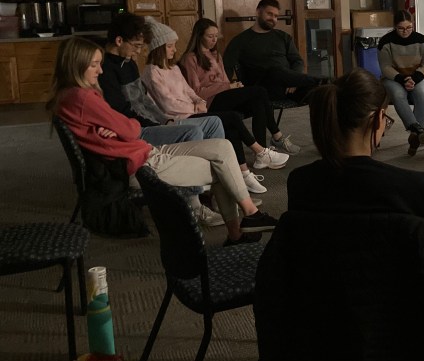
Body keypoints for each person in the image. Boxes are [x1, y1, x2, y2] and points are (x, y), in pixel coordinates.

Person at [288, 68, 424, 300]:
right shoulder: (411, 187)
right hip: (401, 303)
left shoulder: (299, 181)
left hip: (323, 301)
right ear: (377, 119)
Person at [48, 36, 277, 246]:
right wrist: (123, 127)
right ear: (76, 65)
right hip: (140, 164)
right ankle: (239, 231)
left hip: (144, 151)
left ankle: (250, 215)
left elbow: (124, 128)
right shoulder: (83, 98)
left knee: (223, 146)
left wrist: (118, 128)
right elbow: (131, 129)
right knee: (221, 167)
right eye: (94, 65)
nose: (100, 70)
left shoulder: (68, 96)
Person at [140, 17, 289, 195]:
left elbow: (190, 92)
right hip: (179, 117)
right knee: (233, 115)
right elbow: (168, 103)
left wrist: (198, 102)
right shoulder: (152, 72)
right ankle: (259, 153)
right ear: (159, 48)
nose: (175, 49)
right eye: (170, 46)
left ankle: (244, 172)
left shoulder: (174, 69)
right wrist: (196, 106)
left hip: (197, 109)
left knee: (238, 116)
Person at [179, 17, 301, 157]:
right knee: (259, 91)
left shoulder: (216, 55)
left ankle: (262, 152)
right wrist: (228, 86)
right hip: (210, 102)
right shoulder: (190, 58)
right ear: (199, 36)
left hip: (224, 96)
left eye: (216, 36)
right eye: (210, 36)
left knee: (258, 102)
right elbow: (197, 92)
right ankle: (276, 137)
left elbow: (225, 81)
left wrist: (234, 87)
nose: (214, 40)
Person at [98, 12, 224, 147]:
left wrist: (164, 120)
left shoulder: (129, 63)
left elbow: (145, 100)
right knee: (193, 131)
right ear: (119, 41)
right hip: (139, 127)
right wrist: (157, 124)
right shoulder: (105, 69)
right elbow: (121, 110)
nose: (139, 51)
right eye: (136, 45)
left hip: (155, 121)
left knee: (214, 122)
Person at [223, 0, 324, 104]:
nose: (273, 19)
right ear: (258, 12)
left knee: (319, 92)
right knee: (276, 71)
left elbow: (297, 61)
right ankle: (319, 80)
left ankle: (323, 83)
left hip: (288, 85)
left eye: (276, 16)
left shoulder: (283, 37)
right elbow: (226, 67)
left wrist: (294, 81)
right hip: (262, 89)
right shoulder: (240, 41)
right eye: (269, 14)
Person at [377, 11, 424, 157]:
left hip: (418, 77)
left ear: (412, 25)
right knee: (398, 94)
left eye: (409, 27)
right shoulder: (385, 42)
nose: (405, 31)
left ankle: (415, 136)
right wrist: (403, 79)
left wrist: (414, 78)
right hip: (393, 78)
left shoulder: (422, 40)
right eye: (401, 28)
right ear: (394, 27)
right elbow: (385, 67)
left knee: (421, 94)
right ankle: (418, 131)